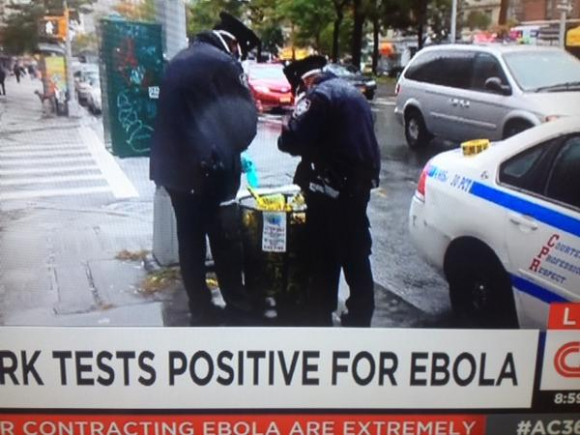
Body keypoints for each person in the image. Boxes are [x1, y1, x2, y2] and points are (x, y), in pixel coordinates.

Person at [150, 12, 260, 326]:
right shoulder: (224, 64)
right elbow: (244, 123)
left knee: (190, 239)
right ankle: (237, 307)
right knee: (225, 239)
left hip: (173, 173)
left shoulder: (178, 60)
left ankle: (200, 306)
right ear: (235, 43)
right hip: (211, 172)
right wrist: (233, 150)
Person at [278, 56, 381, 327]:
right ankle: (360, 315)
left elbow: (291, 140)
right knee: (356, 250)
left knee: (325, 251)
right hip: (359, 184)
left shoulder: (319, 97)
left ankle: (319, 313)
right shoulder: (351, 92)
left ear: (306, 81)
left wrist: (289, 124)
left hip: (331, 186)